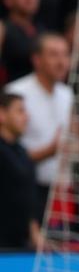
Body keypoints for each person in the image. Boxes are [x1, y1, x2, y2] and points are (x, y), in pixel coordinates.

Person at [5, 32, 74, 223]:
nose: (61, 62)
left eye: (65, 54)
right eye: (53, 55)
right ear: (36, 60)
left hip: (61, 189)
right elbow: (7, 153)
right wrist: (50, 151)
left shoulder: (67, 94)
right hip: (26, 190)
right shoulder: (16, 93)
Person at [0, 91, 42, 250]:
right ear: (2, 114)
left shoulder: (22, 152)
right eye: (20, 111)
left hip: (21, 245)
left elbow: (28, 195)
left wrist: (34, 228)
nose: (26, 117)